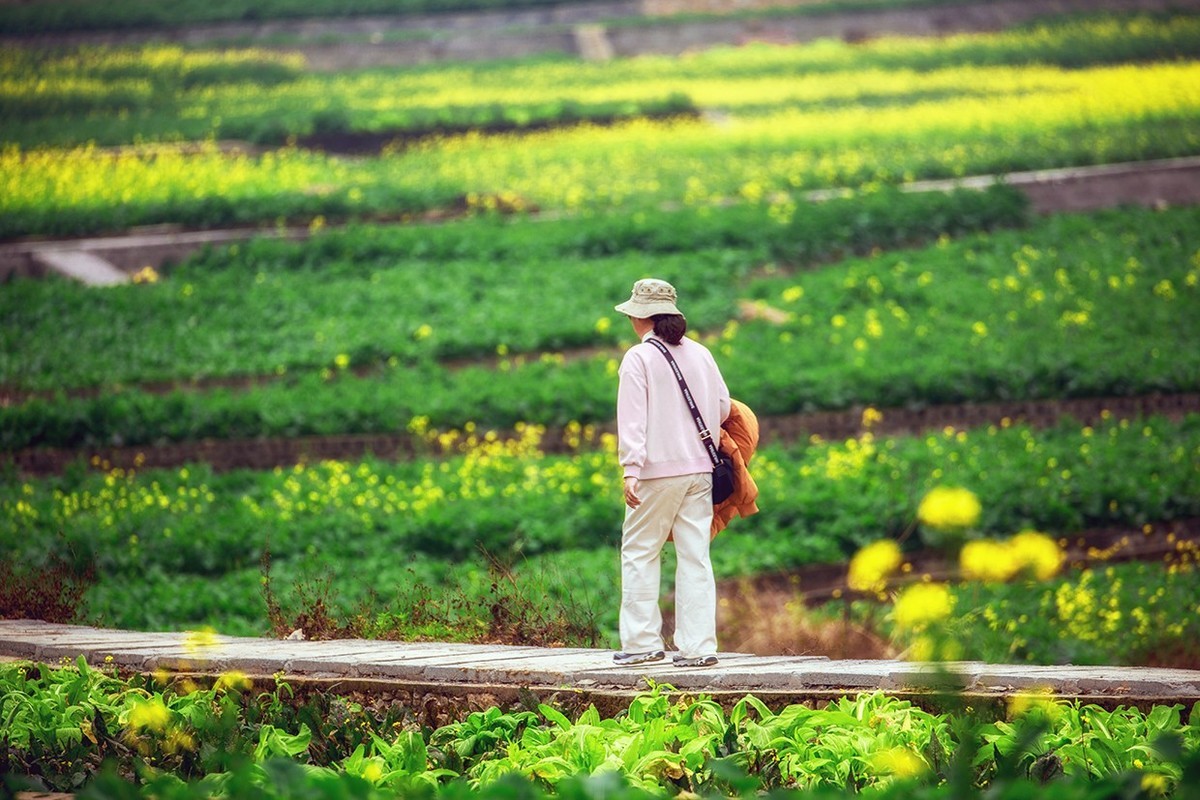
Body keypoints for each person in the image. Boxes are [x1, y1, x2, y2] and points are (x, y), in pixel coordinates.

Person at [612, 278, 731, 668]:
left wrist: (631, 469)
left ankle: (643, 643)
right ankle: (698, 648)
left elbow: (632, 419)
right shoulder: (700, 353)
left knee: (640, 552)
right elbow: (724, 407)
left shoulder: (638, 358)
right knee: (695, 556)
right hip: (700, 470)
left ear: (639, 317)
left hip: (656, 473)